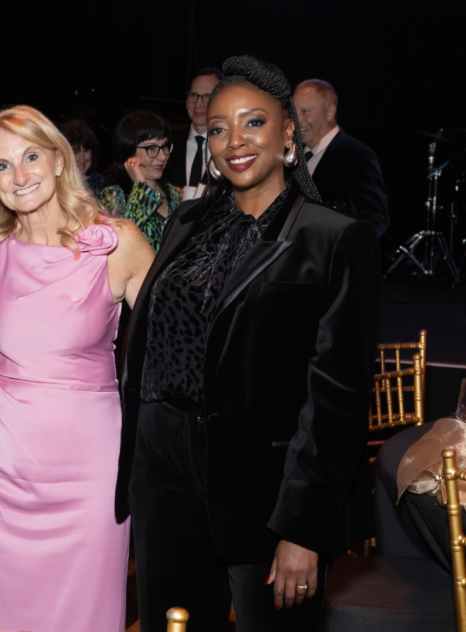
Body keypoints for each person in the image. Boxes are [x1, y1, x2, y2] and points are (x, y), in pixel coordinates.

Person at [118, 56, 381, 631]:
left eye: (253, 123)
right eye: (218, 128)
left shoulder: (333, 240)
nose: (234, 141)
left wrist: (303, 530)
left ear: (288, 132)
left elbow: (338, 401)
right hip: (164, 474)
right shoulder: (186, 222)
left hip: (266, 491)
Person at [0, 105, 154, 632]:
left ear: (59, 161)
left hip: (88, 472)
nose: (19, 176)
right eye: (1, 166)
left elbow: (175, 348)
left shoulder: (118, 243)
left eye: (30, 157)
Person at [294, 79, 389, 236]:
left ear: (330, 112)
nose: (297, 120)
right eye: (294, 111)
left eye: (305, 111)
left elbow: (376, 219)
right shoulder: (293, 158)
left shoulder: (356, 155)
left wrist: (336, 250)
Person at [100, 111, 181, 253]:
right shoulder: (114, 194)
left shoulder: (171, 191)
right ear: (129, 151)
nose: (163, 156)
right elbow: (120, 246)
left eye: (165, 146)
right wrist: (140, 189)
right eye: (152, 148)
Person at [165, 67, 224, 199]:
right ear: (187, 101)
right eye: (194, 96)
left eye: (207, 97)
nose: (198, 105)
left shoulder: (230, 148)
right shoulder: (167, 145)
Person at [59, 118, 108, 197]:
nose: (82, 160)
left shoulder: (104, 186)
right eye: (75, 152)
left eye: (86, 150)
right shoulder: (56, 188)